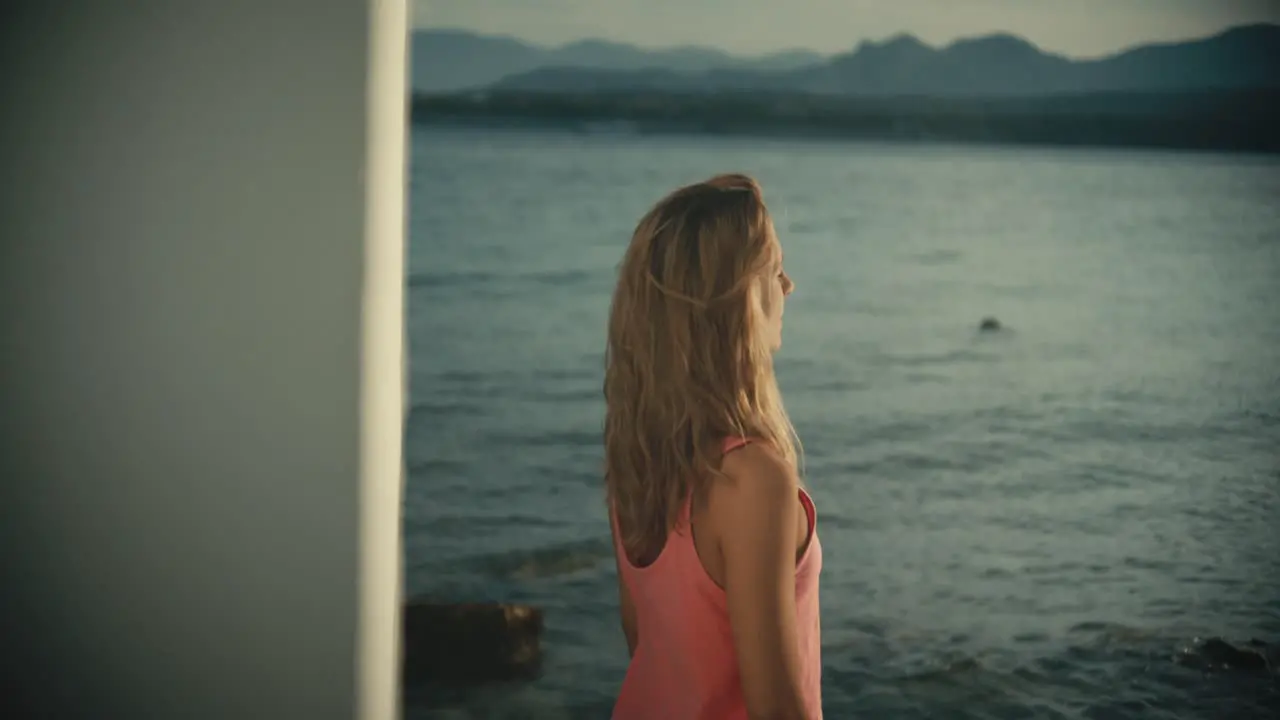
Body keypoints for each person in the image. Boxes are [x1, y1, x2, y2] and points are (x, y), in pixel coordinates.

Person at [603, 173, 822, 720]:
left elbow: (647, 646)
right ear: (739, 298)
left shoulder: (639, 455)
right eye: (773, 269)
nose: (788, 285)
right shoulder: (753, 478)